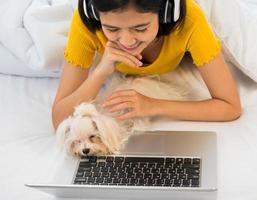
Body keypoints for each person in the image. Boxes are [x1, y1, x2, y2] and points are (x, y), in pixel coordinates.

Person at [52, 0, 241, 130]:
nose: (126, 41)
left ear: (166, 13)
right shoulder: (85, 23)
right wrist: (100, 71)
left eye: (141, 28)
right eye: (111, 29)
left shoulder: (190, 21)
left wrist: (152, 105)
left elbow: (230, 106)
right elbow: (59, 118)